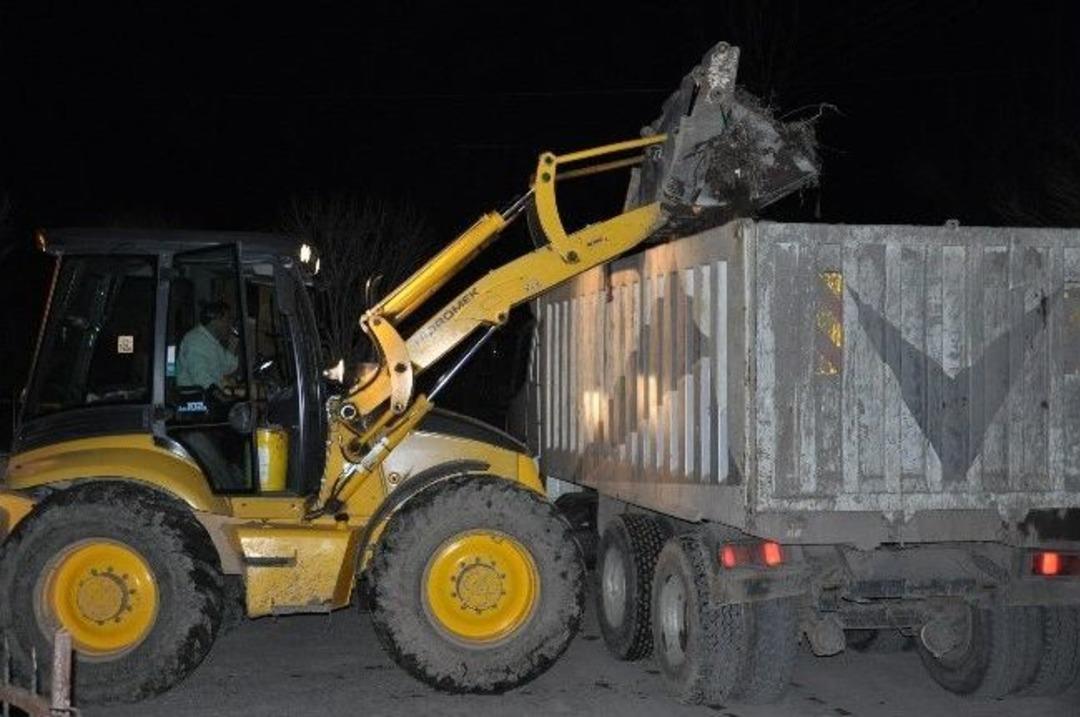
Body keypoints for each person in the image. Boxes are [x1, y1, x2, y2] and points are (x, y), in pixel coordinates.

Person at [176, 301, 240, 390]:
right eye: (227, 320)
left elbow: (227, 367)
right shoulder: (195, 341)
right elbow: (203, 382)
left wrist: (233, 344)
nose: (230, 326)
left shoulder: (212, 341)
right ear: (215, 320)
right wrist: (230, 390)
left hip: (211, 396)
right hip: (196, 399)